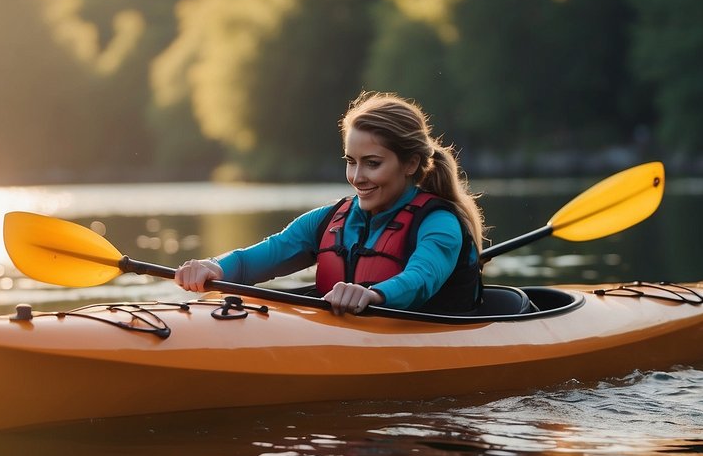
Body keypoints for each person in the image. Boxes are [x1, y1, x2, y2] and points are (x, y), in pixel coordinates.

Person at [175, 92, 485, 315]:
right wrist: (212, 266)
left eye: (372, 163)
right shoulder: (330, 219)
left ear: (410, 163)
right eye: (351, 162)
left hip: (435, 337)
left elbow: (422, 278)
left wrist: (373, 294)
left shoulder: (439, 222)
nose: (357, 177)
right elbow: (255, 258)